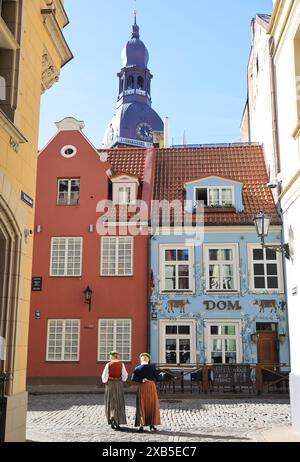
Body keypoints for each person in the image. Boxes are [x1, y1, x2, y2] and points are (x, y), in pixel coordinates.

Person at [131, 353, 164, 433]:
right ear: (148, 359)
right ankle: (151, 425)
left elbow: (133, 378)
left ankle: (141, 426)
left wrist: (141, 380)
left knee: (142, 405)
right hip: (151, 386)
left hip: (142, 387)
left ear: (141, 359)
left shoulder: (138, 368)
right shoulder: (152, 367)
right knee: (152, 405)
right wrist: (162, 375)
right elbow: (158, 377)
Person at [101, 351, 128, 431]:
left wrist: (105, 381)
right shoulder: (121, 364)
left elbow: (104, 376)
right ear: (117, 357)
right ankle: (118, 420)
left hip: (110, 384)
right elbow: (125, 376)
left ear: (112, 357)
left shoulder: (108, 364)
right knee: (119, 401)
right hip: (119, 384)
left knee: (111, 401)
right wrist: (121, 379)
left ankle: (112, 420)